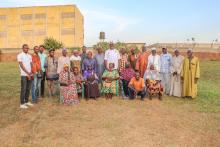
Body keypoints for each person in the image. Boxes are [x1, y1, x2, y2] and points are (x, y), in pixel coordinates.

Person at [17, 44, 33, 109]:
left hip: (29, 74)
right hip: (24, 74)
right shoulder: (20, 55)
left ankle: (26, 101)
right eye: (25, 48)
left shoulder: (29, 56)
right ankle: (22, 103)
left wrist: (31, 72)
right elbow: (21, 65)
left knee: (28, 88)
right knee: (23, 88)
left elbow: (31, 64)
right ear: (22, 48)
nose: (26, 49)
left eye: (27, 48)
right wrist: (27, 73)